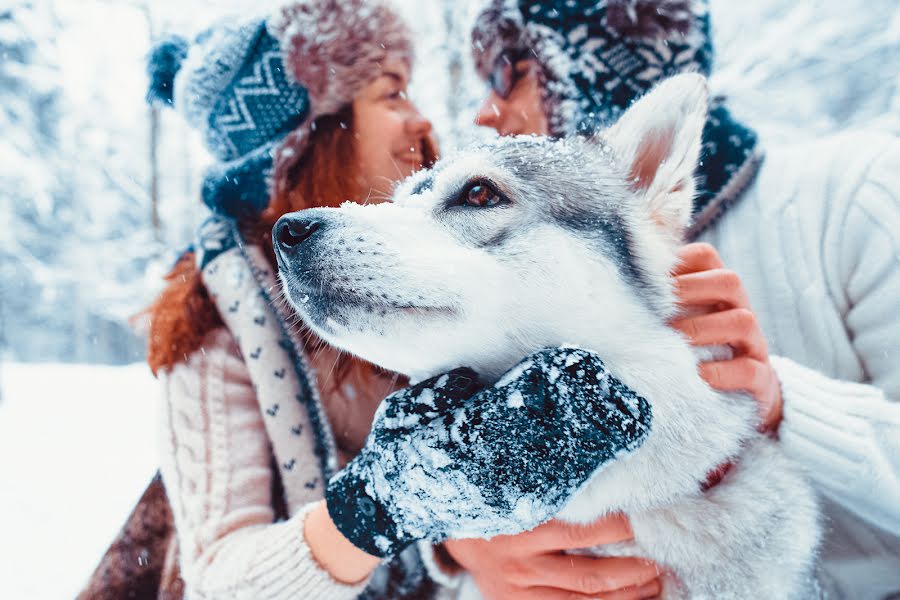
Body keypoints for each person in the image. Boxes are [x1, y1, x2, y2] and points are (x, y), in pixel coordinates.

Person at [142, 2, 659, 599]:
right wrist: (396, 504)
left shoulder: (457, 269)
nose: (421, 121)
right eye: (391, 95)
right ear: (308, 139)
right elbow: (222, 581)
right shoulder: (215, 329)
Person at [442, 1, 900, 599]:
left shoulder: (854, 194)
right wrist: (463, 544)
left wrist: (780, 401)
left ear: (593, 68)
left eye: (509, 73)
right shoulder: (514, 277)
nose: (485, 112)